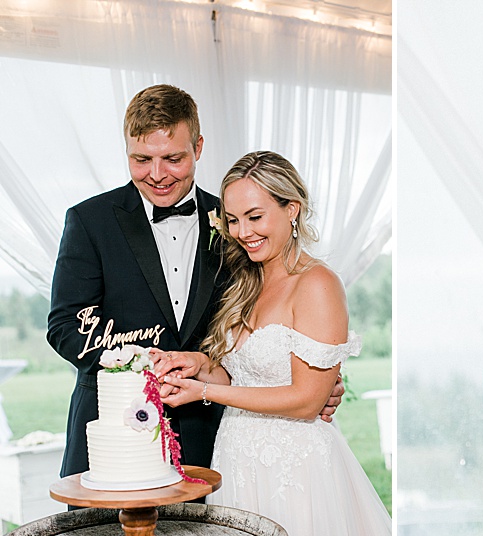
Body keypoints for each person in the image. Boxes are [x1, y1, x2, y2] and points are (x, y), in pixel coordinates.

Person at [46, 84, 343, 481]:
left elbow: (278, 315)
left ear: (198, 147)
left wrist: (321, 380)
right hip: (115, 429)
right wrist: (140, 363)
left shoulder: (236, 222)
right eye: (141, 159)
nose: (157, 175)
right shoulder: (90, 221)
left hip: (213, 433)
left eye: (172, 158)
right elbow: (65, 327)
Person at [151, 151, 390, 536]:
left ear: (291, 208)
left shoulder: (318, 284)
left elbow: (306, 400)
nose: (244, 233)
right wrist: (200, 368)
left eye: (255, 216)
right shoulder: (247, 281)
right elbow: (239, 376)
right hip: (238, 460)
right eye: (234, 220)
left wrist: (206, 393)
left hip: (295, 470)